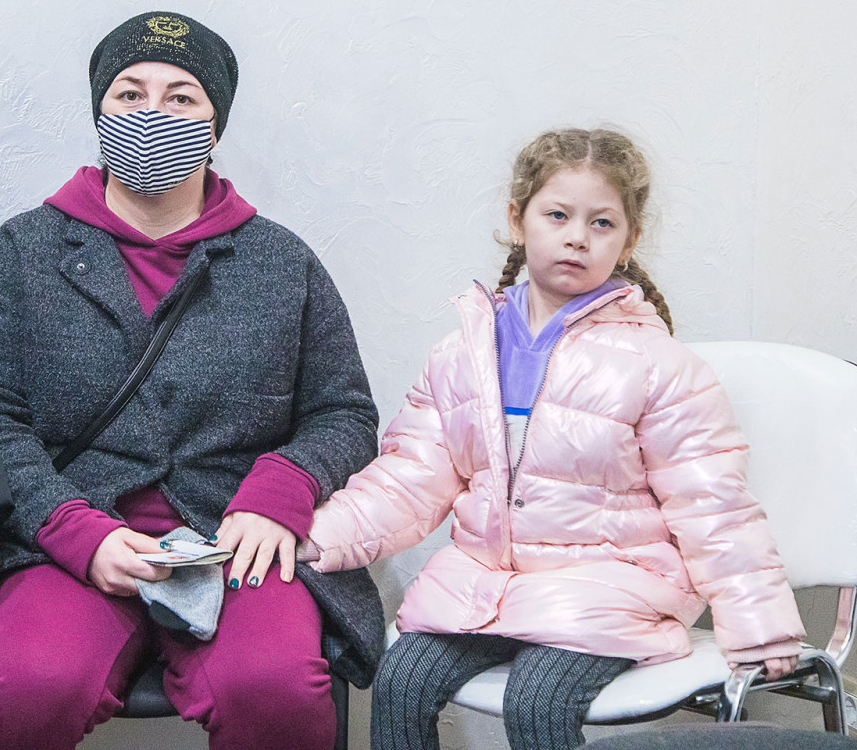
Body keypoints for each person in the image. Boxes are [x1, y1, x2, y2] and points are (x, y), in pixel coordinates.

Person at [0, 11, 385, 750]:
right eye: (130, 94)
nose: (152, 114)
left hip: (235, 542)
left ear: (216, 123)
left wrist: (279, 492)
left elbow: (343, 413)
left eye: (181, 97)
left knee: (275, 689)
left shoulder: (282, 262)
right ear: (100, 112)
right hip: (64, 537)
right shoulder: (25, 250)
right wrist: (73, 529)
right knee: (29, 686)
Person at [304, 128, 806, 750]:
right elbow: (409, 478)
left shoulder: (659, 366)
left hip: (609, 588)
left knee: (537, 699)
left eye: (602, 223)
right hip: (491, 582)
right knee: (400, 678)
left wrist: (760, 623)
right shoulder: (461, 355)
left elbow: (712, 505)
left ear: (629, 242)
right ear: (517, 220)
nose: (577, 237)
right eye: (558, 215)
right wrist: (316, 536)